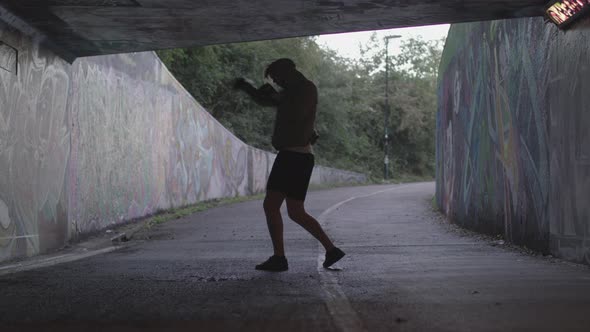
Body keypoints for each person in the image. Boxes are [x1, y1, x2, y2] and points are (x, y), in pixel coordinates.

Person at [234, 58, 345, 272]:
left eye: (277, 78)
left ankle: (279, 258)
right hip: (297, 156)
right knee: (295, 211)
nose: (277, 83)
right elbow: (271, 101)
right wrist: (250, 89)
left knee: (271, 205)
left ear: (286, 72)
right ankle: (331, 250)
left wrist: (272, 95)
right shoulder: (295, 91)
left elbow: (293, 111)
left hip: (293, 156)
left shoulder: (304, 89)